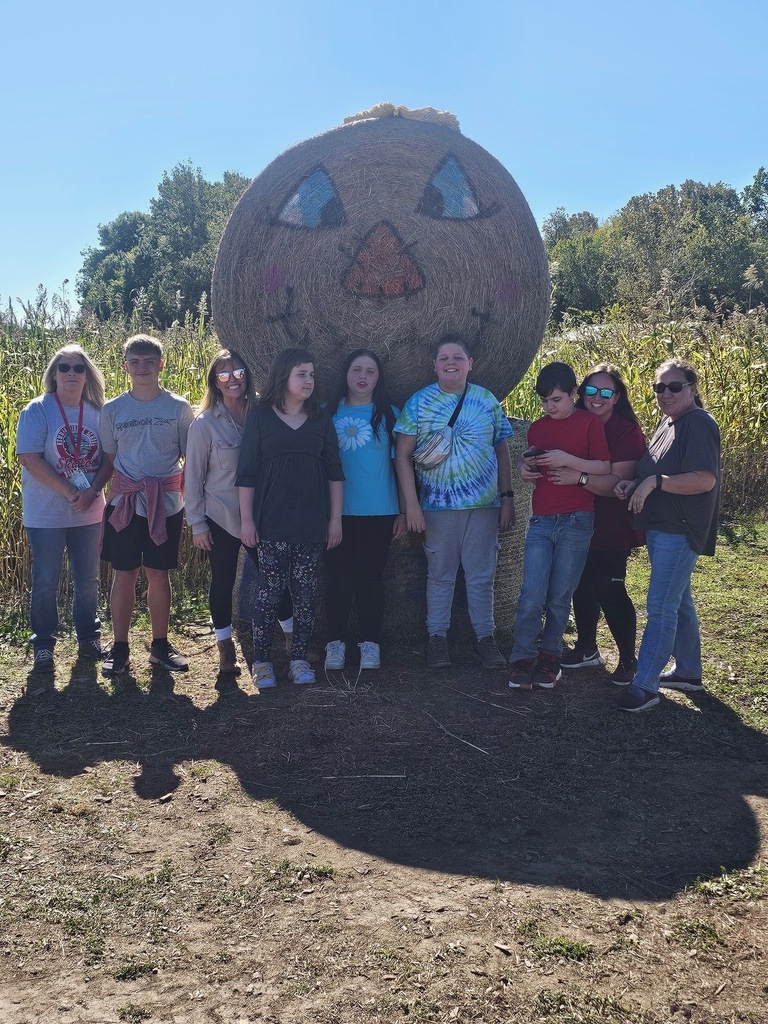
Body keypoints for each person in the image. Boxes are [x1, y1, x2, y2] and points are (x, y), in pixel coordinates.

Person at [394, 333, 515, 670]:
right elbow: (401, 456)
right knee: (441, 575)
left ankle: (485, 639)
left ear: (470, 364)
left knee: (481, 575)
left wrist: (507, 498)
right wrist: (412, 506)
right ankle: (437, 639)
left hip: (484, 506)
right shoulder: (418, 403)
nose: (451, 362)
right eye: (444, 357)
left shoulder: (486, 399)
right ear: (434, 365)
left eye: (458, 357)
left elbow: (502, 449)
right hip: (437, 506)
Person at [614, 358, 720, 713]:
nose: (666, 393)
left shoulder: (698, 424)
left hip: (680, 529)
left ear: (692, 389)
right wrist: (636, 483)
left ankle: (645, 685)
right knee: (679, 601)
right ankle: (688, 671)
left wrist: (655, 482)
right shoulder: (668, 422)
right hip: (660, 528)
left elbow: (704, 479)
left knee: (660, 607)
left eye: (674, 386)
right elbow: (654, 469)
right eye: (660, 387)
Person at [236, 347, 344, 689]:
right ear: (284, 377)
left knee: (306, 593)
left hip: (312, 523)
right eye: (302, 374)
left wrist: (335, 521)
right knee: (269, 592)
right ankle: (264, 662)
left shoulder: (320, 419)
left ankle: (299, 659)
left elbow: (334, 472)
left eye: (311, 374)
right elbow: (247, 473)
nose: (309, 380)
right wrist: (247, 521)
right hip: (270, 522)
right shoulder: (261, 418)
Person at [508, 361, 611, 690]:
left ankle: (550, 656)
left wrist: (566, 460)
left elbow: (603, 466)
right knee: (530, 594)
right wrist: (526, 470)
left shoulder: (590, 424)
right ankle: (522, 656)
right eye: (545, 402)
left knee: (558, 596)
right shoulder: (537, 429)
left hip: (578, 519)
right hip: (541, 519)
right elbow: (529, 466)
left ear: (573, 394)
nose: (550, 407)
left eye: (557, 400)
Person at [99, 334, 195, 677]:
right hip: (125, 504)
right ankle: (120, 648)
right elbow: (110, 459)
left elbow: (190, 458)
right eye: (135, 362)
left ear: (161, 365)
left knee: (159, 573)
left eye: (149, 362)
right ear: (125, 366)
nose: (142, 368)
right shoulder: (112, 410)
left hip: (167, 504)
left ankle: (159, 646)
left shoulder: (179, 407)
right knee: (123, 573)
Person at [16, 344, 113, 672]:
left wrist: (93, 491)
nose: (72, 373)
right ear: (54, 374)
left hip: (89, 510)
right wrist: (72, 491)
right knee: (46, 579)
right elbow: (29, 458)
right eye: (65, 367)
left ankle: (89, 637)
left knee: (87, 579)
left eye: (78, 368)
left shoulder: (99, 412)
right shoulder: (38, 410)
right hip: (46, 515)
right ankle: (43, 644)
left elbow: (109, 460)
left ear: (87, 375)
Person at [548, 365, 646, 683]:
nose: (597, 398)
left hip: (611, 522)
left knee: (609, 587)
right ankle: (587, 648)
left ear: (617, 397)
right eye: (591, 390)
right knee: (581, 583)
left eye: (606, 392)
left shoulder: (625, 431)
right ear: (581, 393)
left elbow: (617, 482)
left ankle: (629, 660)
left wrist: (578, 477)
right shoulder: (571, 421)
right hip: (575, 517)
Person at [324, 349, 406, 671]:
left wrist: (401, 510)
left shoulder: (389, 414)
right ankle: (335, 643)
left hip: (379, 511)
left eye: (370, 371)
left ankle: (370, 643)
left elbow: (400, 465)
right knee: (338, 578)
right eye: (356, 369)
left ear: (378, 377)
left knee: (371, 578)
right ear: (345, 374)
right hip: (336, 512)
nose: (362, 376)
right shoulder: (327, 412)